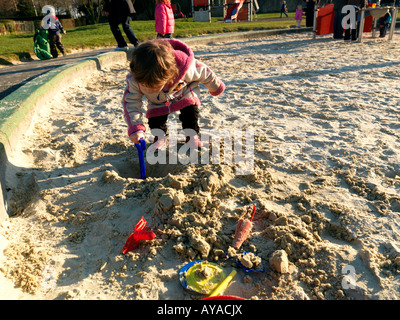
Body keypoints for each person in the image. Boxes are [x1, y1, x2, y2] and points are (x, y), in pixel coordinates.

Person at [122, 39, 225, 150]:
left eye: (155, 86)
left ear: (168, 76)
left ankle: (192, 137)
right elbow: (131, 103)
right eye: (145, 86)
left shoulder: (184, 68)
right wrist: (136, 128)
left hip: (183, 90)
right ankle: (160, 137)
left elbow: (204, 72)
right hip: (157, 100)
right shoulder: (134, 80)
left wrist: (216, 87)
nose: (149, 89)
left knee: (190, 111)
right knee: (155, 117)